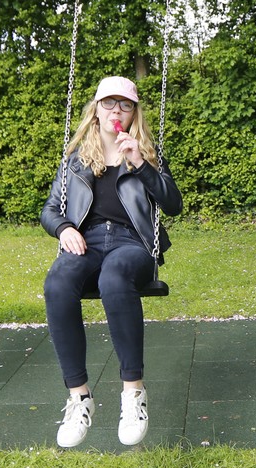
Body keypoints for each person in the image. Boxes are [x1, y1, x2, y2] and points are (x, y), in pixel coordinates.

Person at [41, 75, 182, 448]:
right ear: (96, 110)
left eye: (125, 105)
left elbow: (173, 204)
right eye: (109, 103)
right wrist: (64, 228)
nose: (116, 111)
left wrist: (140, 164)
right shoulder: (75, 159)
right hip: (85, 241)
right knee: (57, 283)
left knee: (114, 279)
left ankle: (133, 394)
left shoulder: (147, 153)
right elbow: (50, 210)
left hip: (132, 243)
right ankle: (79, 398)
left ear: (134, 113)